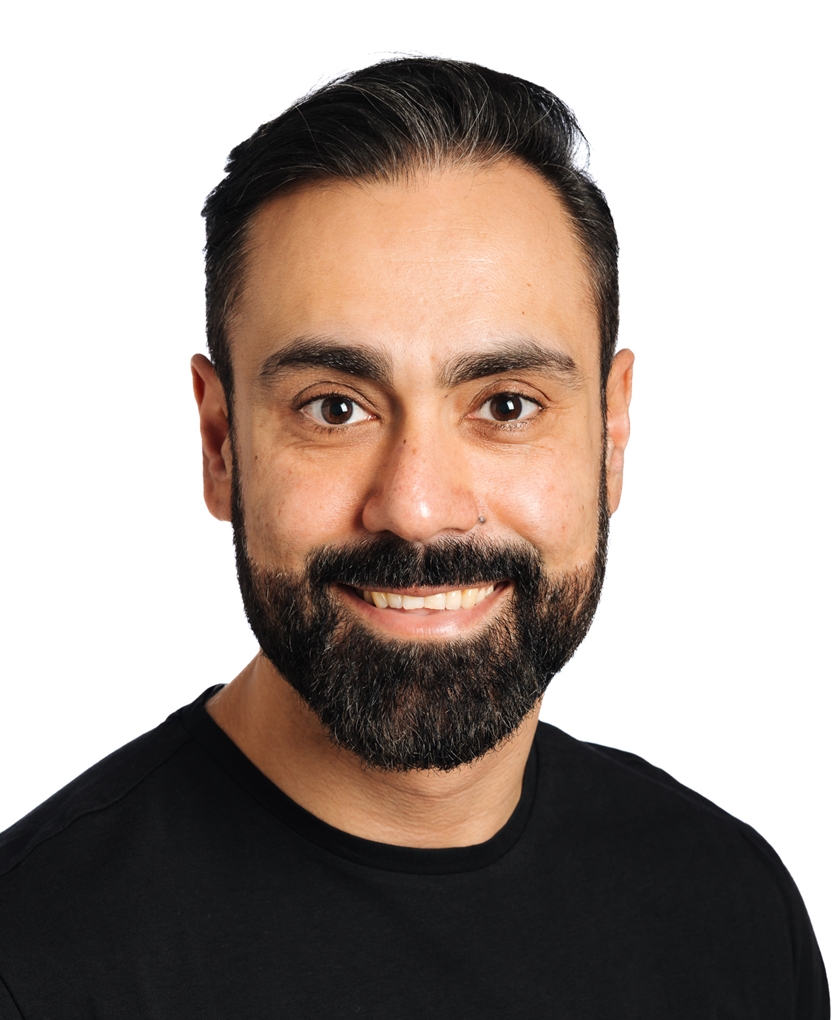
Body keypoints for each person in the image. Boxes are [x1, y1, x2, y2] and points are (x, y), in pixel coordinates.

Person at [0, 57, 828, 1018]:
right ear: (221, 444)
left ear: (611, 434)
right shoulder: (34, 960)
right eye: (335, 408)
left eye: (507, 404)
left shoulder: (733, 909)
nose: (418, 506)